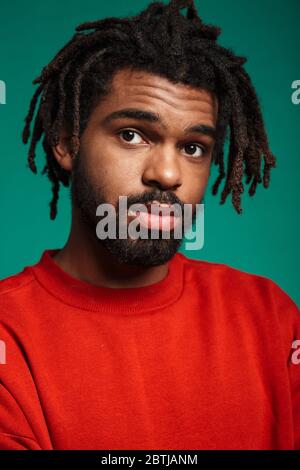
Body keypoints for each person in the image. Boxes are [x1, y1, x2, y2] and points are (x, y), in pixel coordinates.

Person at [0, 0, 299, 450]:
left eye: (194, 147)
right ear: (65, 141)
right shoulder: (9, 334)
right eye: (132, 134)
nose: (168, 174)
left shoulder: (270, 318)